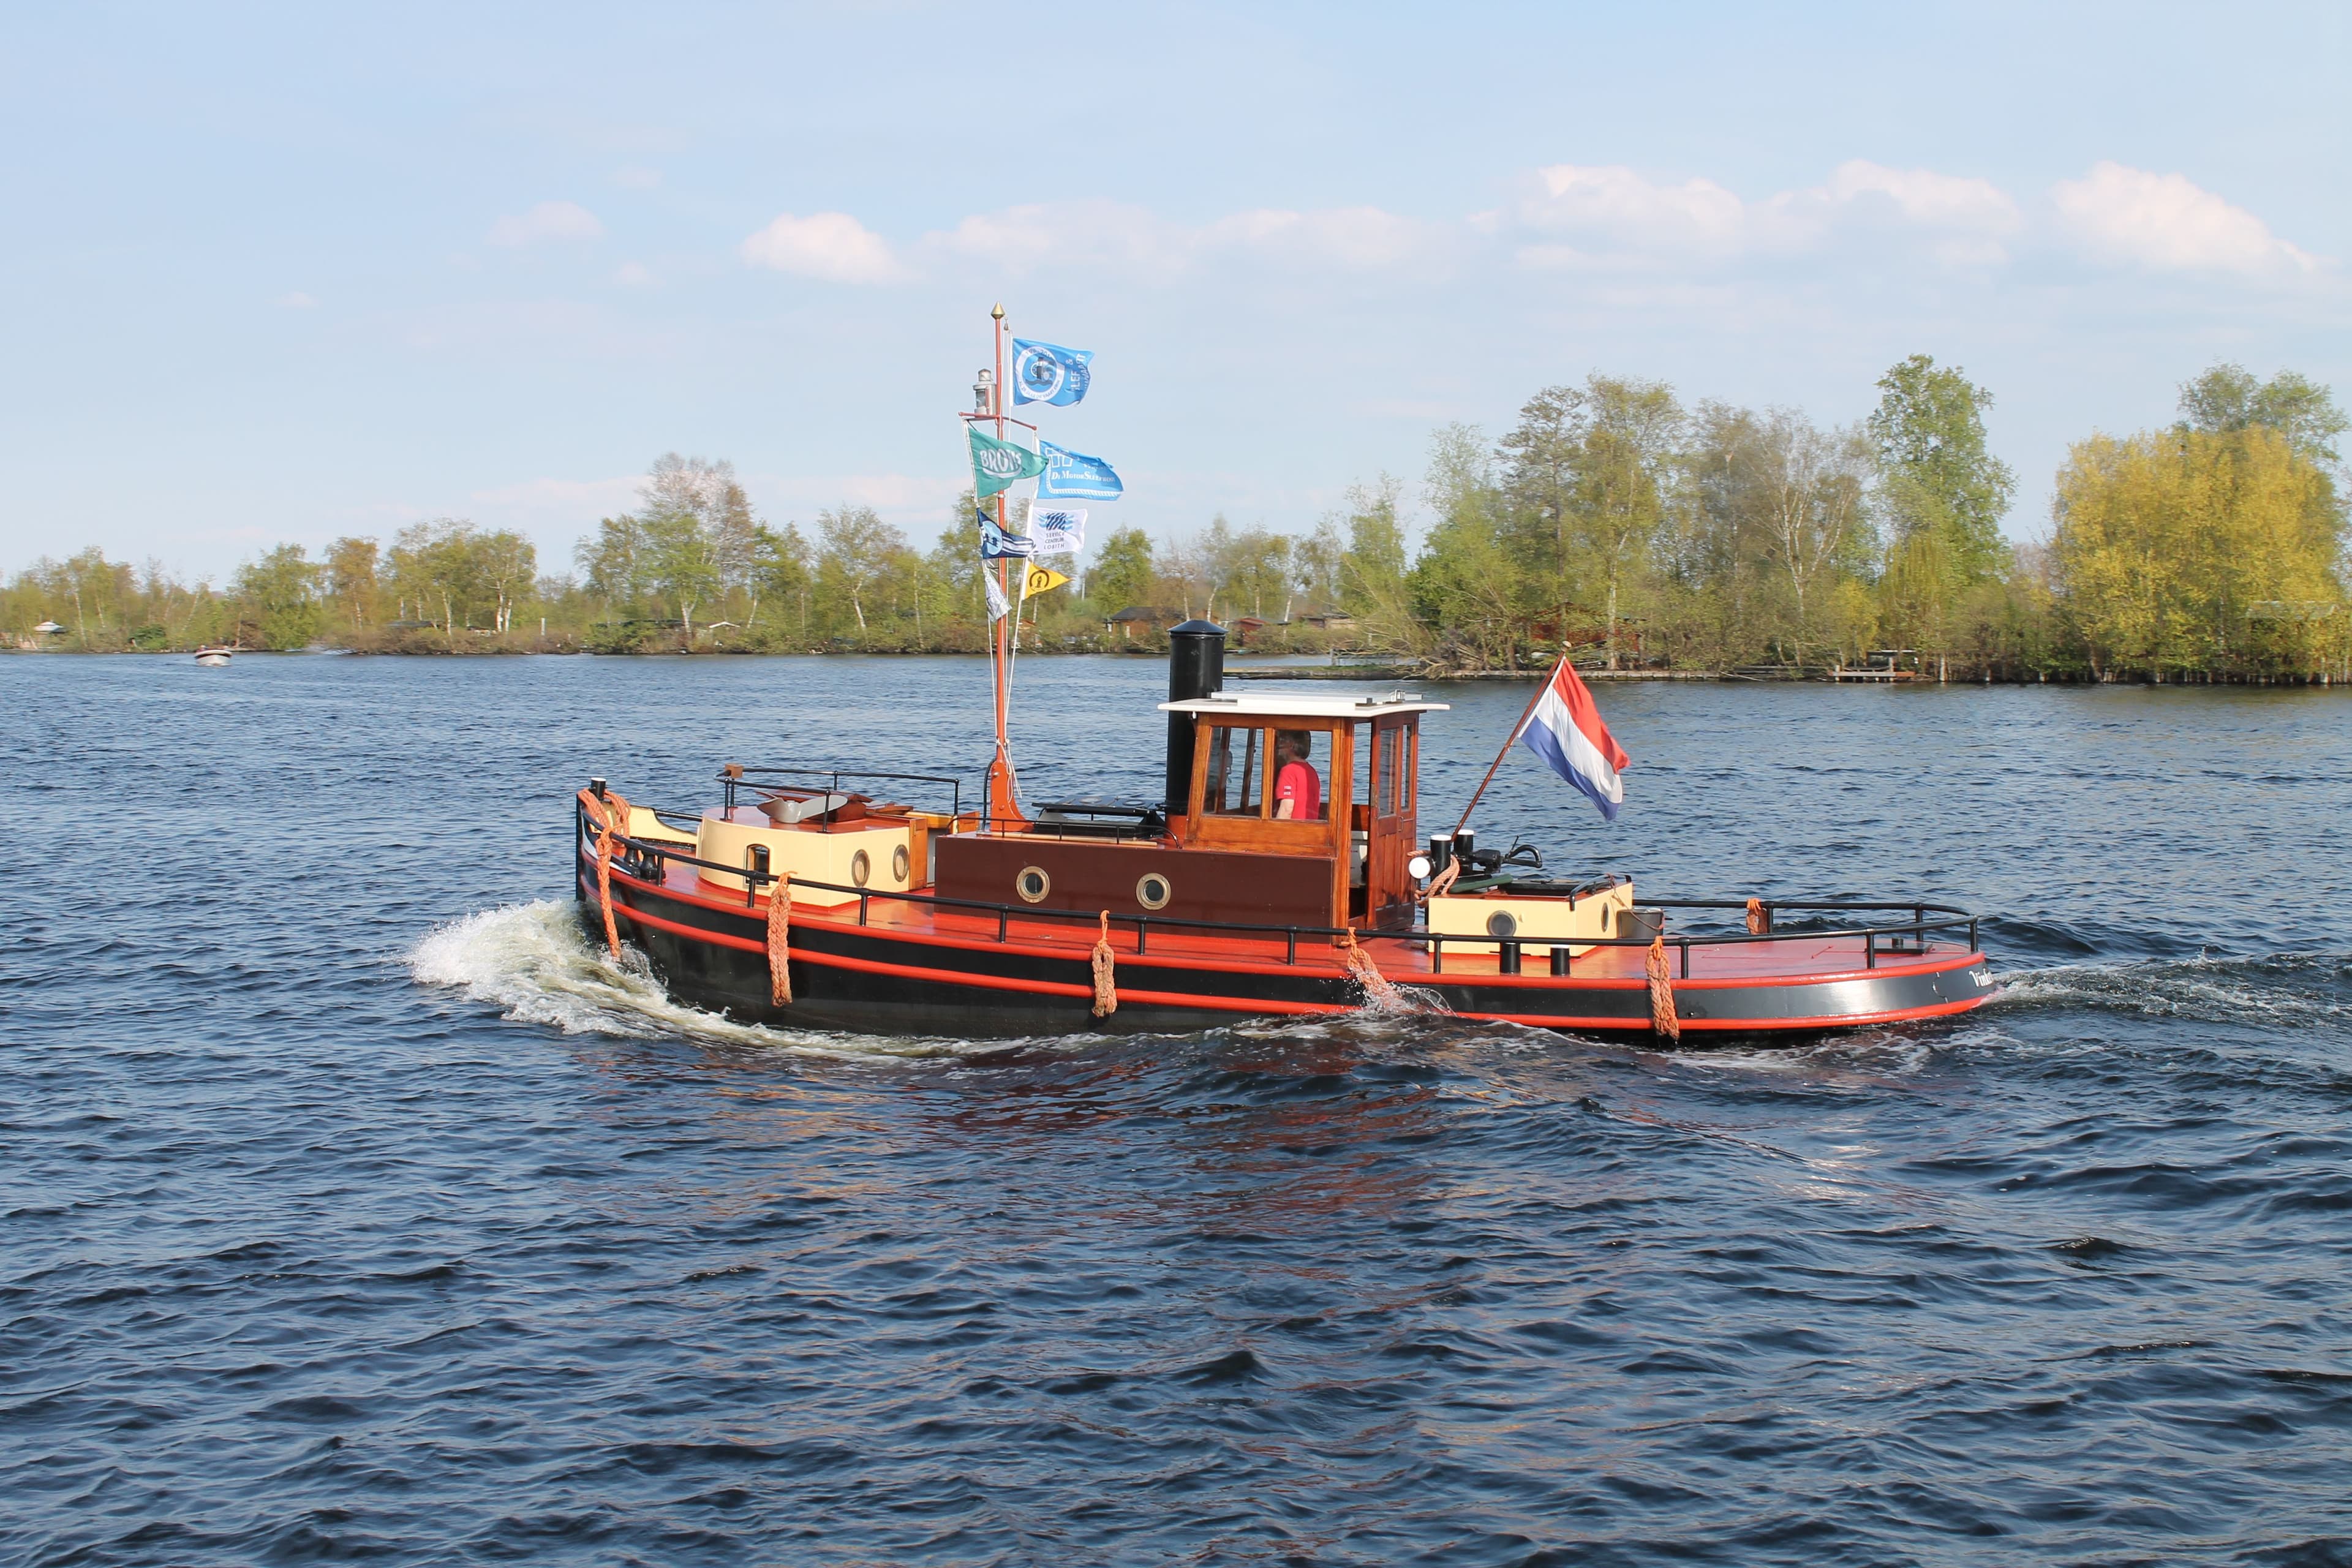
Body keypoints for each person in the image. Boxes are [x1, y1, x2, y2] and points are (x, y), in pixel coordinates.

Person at [1273, 729, 1322, 821]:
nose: (1278, 745)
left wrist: (1276, 830)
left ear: (1291, 744)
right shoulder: (1312, 771)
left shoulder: (1288, 771)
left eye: (1281, 740)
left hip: (1292, 829)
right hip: (1309, 828)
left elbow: (1286, 809)